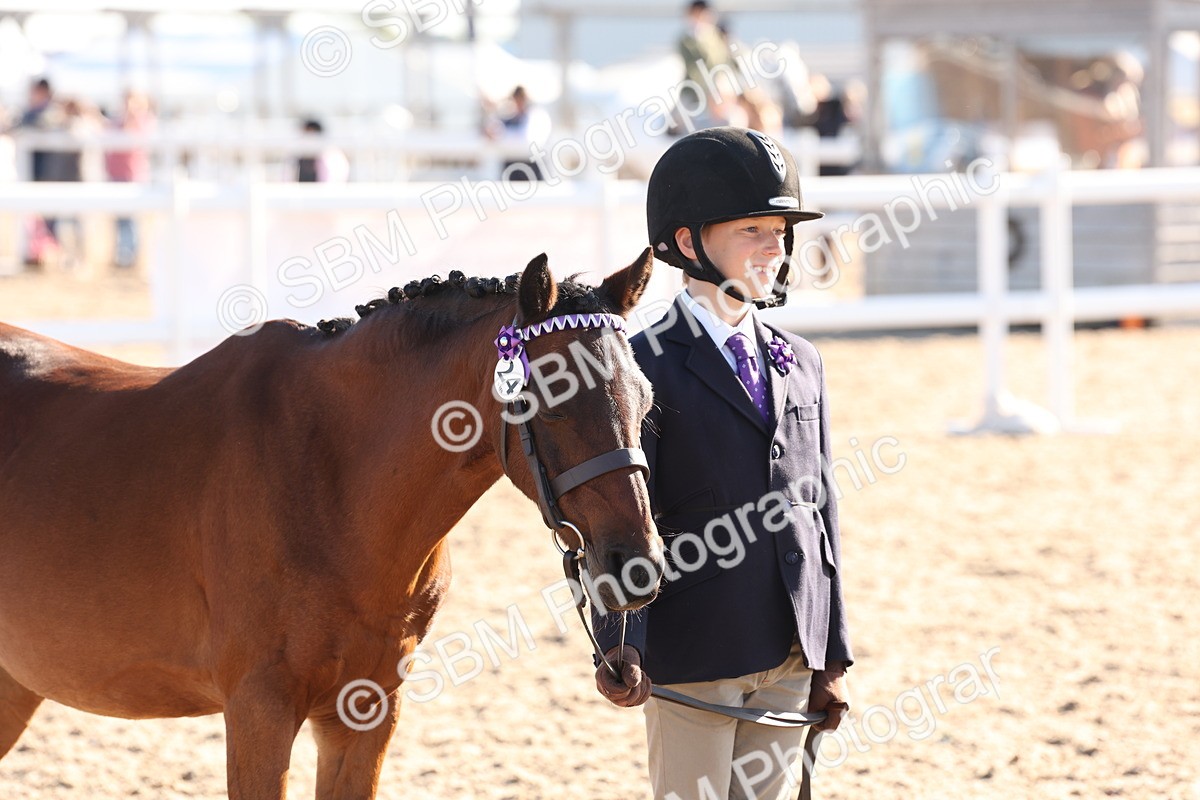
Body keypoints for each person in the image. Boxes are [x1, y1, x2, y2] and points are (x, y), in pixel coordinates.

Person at [593, 127, 853, 800]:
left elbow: (821, 513)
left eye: (780, 231)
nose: (776, 248)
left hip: (790, 651)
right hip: (693, 652)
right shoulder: (641, 367)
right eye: (752, 231)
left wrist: (832, 654)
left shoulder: (804, 362)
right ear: (686, 243)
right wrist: (619, 640)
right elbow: (619, 518)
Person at [104, 90, 155, 269]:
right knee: (119, 218)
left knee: (130, 219)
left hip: (132, 175)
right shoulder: (117, 120)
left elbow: (135, 137)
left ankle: (128, 254)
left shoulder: (142, 120)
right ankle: (122, 252)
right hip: (116, 173)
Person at [483, 85, 551, 181]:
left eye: (521, 99)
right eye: (516, 99)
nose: (518, 103)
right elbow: (491, 131)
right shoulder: (508, 118)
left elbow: (527, 140)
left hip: (531, 168)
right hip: (511, 169)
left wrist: (500, 137)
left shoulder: (537, 116)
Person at [296, 119, 349, 183]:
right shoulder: (295, 155)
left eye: (312, 134)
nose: (310, 139)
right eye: (307, 134)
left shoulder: (332, 155)